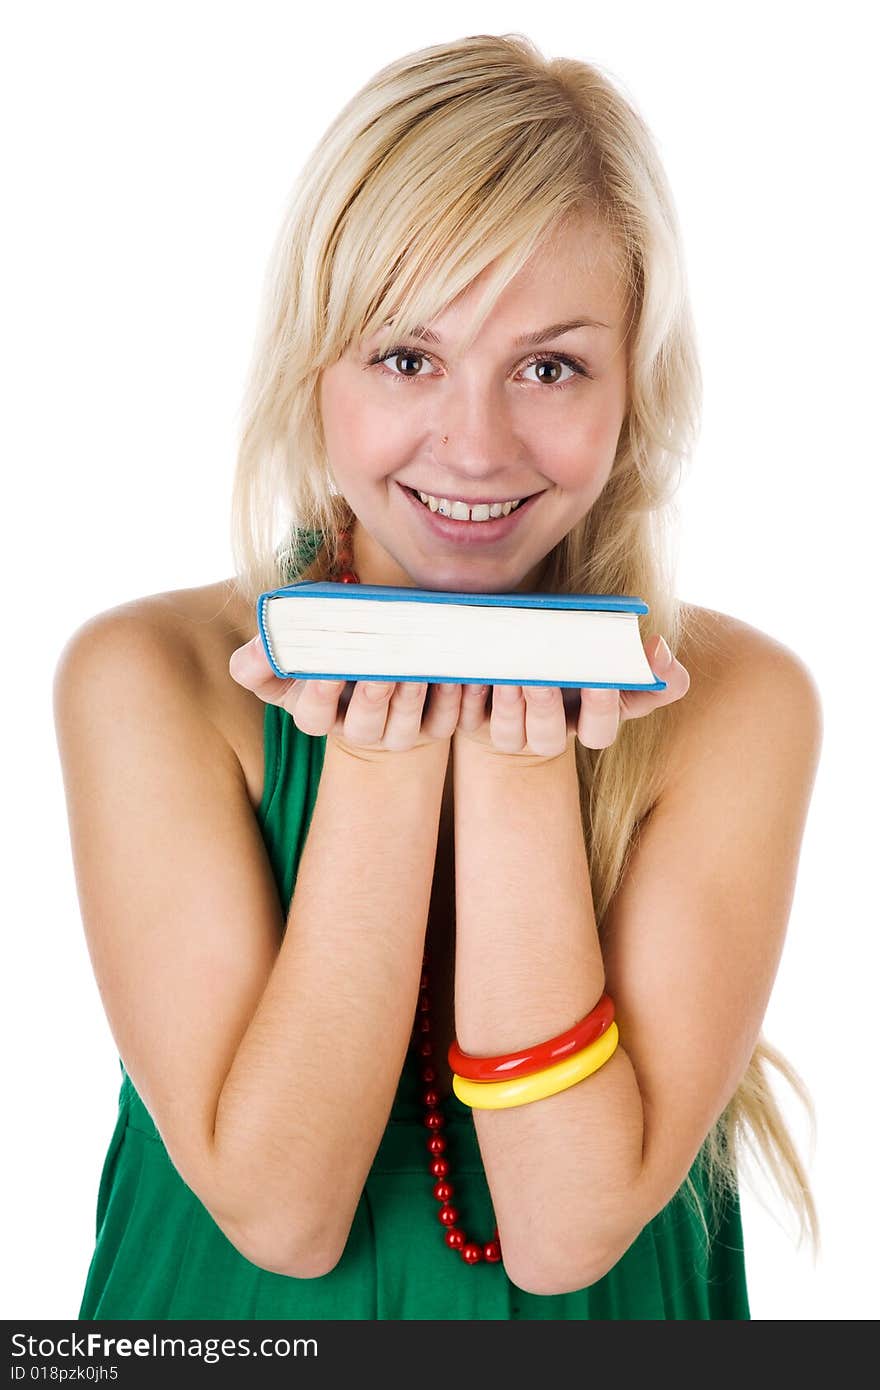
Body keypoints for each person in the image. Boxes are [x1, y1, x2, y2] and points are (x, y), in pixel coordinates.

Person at [54, 32, 822, 1321]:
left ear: (634, 385)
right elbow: (283, 1219)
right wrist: (381, 759)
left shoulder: (741, 705)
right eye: (408, 359)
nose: (474, 445)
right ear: (316, 368)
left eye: (551, 365)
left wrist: (517, 767)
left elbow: (564, 1233)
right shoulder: (146, 679)